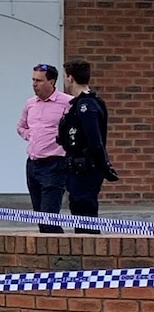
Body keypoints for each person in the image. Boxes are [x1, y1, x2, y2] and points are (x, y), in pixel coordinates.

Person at [57, 59, 119, 234]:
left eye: (64, 76)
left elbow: (95, 141)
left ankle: (92, 258)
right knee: (79, 212)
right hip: (77, 168)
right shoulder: (78, 104)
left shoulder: (87, 105)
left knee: (85, 216)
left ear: (70, 78)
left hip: (85, 169)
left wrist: (103, 167)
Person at [16, 63, 74, 233]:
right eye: (33, 80)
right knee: (40, 217)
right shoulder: (30, 104)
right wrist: (31, 136)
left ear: (52, 81)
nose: (34, 84)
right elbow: (21, 126)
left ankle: (59, 254)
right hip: (33, 165)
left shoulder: (67, 103)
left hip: (55, 164)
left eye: (39, 80)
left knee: (49, 217)